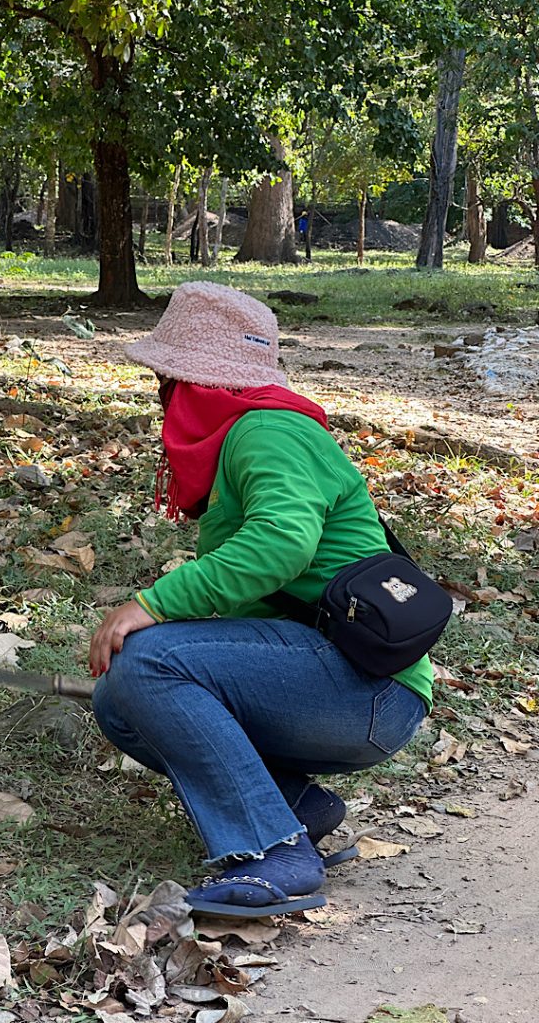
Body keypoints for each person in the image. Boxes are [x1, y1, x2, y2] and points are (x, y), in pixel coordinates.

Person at [89, 281, 431, 919]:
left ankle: (274, 851)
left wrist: (151, 606)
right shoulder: (254, 429)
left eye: (164, 380)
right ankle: (296, 809)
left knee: (147, 662)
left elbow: (281, 543)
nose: (160, 396)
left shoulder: (267, 430)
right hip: (342, 679)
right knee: (119, 698)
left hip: (371, 691)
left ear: (187, 382)